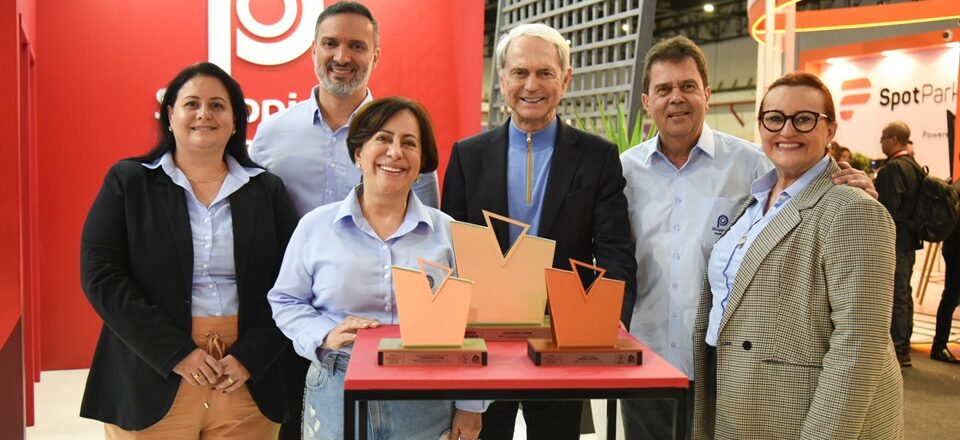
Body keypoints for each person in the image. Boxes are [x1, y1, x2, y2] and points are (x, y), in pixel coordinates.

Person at [618, 36, 877, 439]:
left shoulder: (754, 164)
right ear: (646, 100)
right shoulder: (625, 172)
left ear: (707, 92)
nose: (677, 98)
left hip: (726, 367)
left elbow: (811, 192)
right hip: (645, 359)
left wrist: (850, 185)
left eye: (688, 86)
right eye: (664, 89)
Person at [79, 62, 299, 438]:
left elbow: (294, 281)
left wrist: (251, 356)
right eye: (191, 103)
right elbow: (101, 274)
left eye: (217, 105)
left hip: (246, 375)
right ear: (170, 115)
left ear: (235, 121)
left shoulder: (267, 191)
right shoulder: (128, 182)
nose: (204, 114)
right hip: (151, 370)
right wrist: (175, 352)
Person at [442, 23, 636, 440]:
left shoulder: (598, 157)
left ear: (565, 80)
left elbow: (616, 249)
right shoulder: (467, 156)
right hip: (485, 343)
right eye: (519, 72)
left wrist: (609, 323)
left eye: (545, 73)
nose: (532, 85)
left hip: (564, 340)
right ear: (502, 79)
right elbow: (449, 253)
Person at [692, 71, 903, 439]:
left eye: (804, 119)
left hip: (799, 410)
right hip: (739, 393)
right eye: (774, 118)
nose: (787, 130)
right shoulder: (753, 203)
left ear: (830, 130)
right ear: (761, 127)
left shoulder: (853, 209)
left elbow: (859, 348)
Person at [268, 97, 485, 440]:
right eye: (383, 139)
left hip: (427, 396)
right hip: (337, 383)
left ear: (421, 163)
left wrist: (471, 407)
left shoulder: (449, 234)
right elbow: (285, 301)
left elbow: (475, 324)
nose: (395, 152)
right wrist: (323, 334)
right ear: (358, 153)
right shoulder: (315, 227)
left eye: (409, 143)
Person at [250, 0, 439, 218]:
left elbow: (426, 227)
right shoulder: (271, 133)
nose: (341, 57)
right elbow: (257, 222)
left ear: (375, 57)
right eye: (330, 44)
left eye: (356, 46)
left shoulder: (405, 141)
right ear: (314, 50)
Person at [876, 121, 922, 368]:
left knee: (895, 295)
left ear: (893, 139)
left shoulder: (894, 169)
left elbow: (887, 210)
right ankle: (903, 346)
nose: (881, 143)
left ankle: (896, 348)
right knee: (904, 293)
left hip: (895, 240)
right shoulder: (915, 166)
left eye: (883, 138)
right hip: (908, 240)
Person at [933, 230, 960, 363]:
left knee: (951, 296)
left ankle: (939, 345)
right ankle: (939, 346)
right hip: (956, 244)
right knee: (951, 297)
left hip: (953, 241)